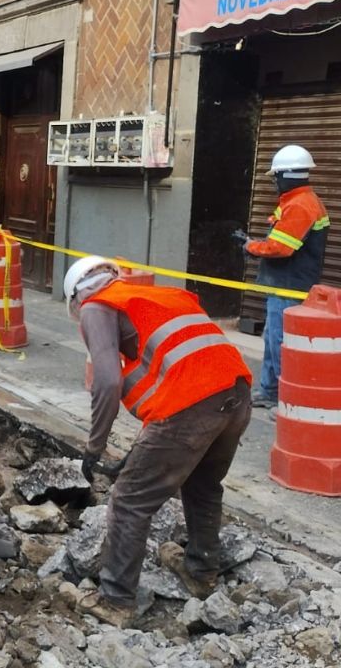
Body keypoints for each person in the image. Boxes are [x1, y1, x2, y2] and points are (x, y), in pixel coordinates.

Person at [63, 256, 253, 628]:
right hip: (236, 395)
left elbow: (106, 381)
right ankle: (201, 572)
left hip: (193, 404)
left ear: (76, 297)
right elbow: (174, 377)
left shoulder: (97, 305)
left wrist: (95, 447)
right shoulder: (157, 297)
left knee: (131, 500)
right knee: (202, 484)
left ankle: (115, 599)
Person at [236, 144, 331, 409]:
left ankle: (286, 400)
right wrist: (255, 244)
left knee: (281, 342)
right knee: (273, 337)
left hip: (289, 287)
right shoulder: (296, 202)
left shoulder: (300, 205)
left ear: (286, 175)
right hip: (285, 285)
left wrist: (250, 246)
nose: (275, 182)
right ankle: (269, 391)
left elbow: (280, 247)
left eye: (276, 176)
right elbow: (280, 239)